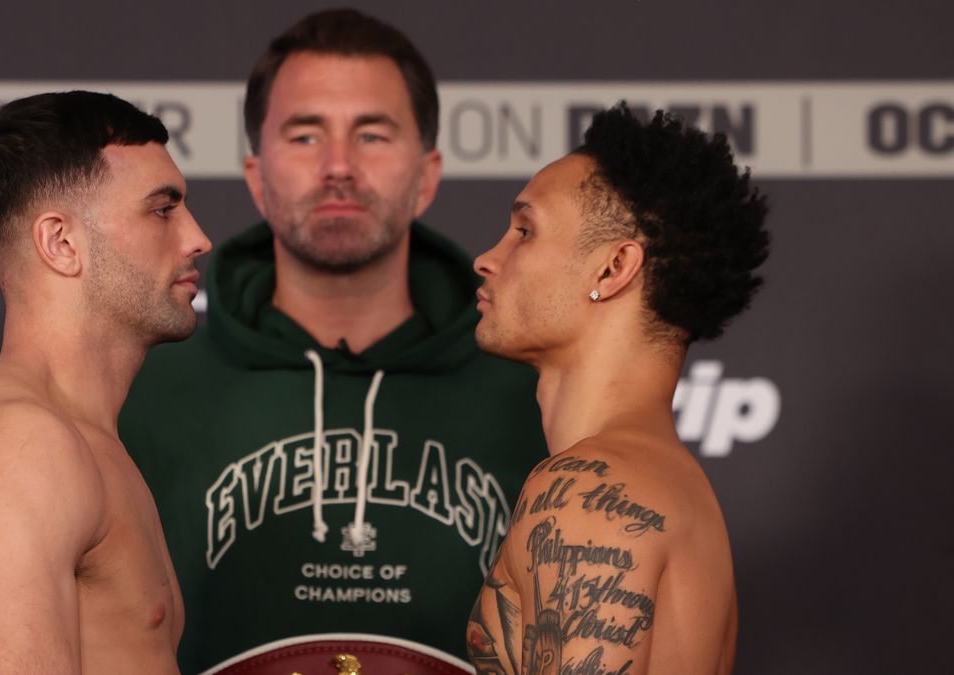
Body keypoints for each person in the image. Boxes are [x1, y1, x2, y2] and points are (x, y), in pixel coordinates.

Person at [119, 9, 547, 672]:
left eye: (372, 135)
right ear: (257, 176)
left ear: (427, 175)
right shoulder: (146, 390)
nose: (339, 166)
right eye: (306, 135)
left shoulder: (534, 393)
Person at [0, 91, 211, 674]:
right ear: (61, 243)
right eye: (162, 209)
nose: (197, 237)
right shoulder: (14, 441)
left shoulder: (80, 438)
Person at [466, 104, 769, 674]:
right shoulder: (671, 483)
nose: (487, 259)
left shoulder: (588, 493)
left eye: (525, 231)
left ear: (612, 269)